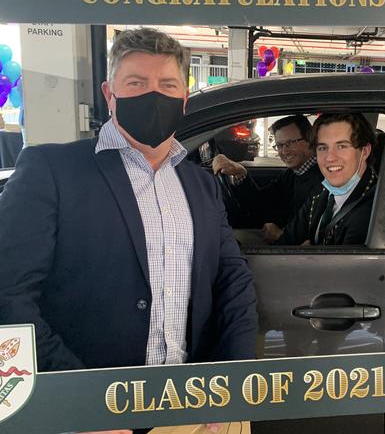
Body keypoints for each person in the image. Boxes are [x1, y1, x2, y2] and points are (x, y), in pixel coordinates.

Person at [0, 28, 258, 376]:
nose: (154, 95)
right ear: (110, 94)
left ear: (183, 98)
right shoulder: (50, 171)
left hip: (190, 405)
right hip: (91, 413)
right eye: (136, 83)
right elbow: (9, 294)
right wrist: (76, 402)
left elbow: (232, 282)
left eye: (167, 85)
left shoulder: (202, 186)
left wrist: (233, 380)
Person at [212, 115, 322, 243]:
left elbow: (313, 235)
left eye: (290, 143)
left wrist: (282, 235)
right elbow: (262, 201)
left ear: (309, 141)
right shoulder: (293, 173)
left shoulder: (320, 179)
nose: (284, 151)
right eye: (279, 145)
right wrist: (241, 173)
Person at [276, 112, 377, 246]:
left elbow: (345, 265)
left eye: (341, 146)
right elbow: (286, 242)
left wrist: (308, 257)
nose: (330, 158)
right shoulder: (321, 193)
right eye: (323, 148)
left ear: (364, 151)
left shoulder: (373, 210)